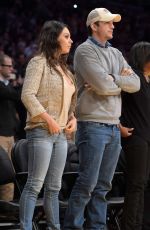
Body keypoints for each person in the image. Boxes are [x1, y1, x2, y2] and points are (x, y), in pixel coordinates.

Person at [63, 8, 140, 230]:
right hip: (92, 125)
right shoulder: (84, 51)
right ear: (94, 26)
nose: (112, 26)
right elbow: (104, 87)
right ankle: (72, 227)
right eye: (107, 22)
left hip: (113, 126)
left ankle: (97, 226)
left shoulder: (115, 53)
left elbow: (135, 84)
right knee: (87, 182)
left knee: (104, 185)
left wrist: (112, 78)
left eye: (112, 23)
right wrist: (115, 81)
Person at [20, 20, 76, 230]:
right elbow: (27, 95)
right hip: (41, 131)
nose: (71, 41)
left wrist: (73, 118)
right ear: (54, 38)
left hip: (61, 135)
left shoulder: (66, 70)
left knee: (54, 187)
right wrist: (49, 119)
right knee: (35, 185)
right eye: (66, 36)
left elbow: (72, 102)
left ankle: (54, 227)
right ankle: (25, 227)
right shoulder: (38, 62)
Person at [120, 41, 150, 230]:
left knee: (146, 184)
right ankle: (131, 226)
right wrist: (118, 125)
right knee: (137, 184)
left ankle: (143, 224)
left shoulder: (147, 79)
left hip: (147, 137)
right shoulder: (132, 77)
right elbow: (114, 101)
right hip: (136, 137)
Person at [0, 53, 20, 201]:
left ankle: (7, 208)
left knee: (10, 174)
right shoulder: (5, 87)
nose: (12, 69)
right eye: (9, 66)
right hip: (0, 134)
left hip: (10, 134)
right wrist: (19, 85)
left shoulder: (9, 86)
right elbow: (14, 96)